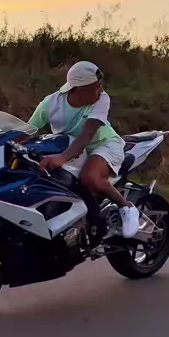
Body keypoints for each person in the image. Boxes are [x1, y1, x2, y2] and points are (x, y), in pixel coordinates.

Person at [28, 61, 140, 239]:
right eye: (96, 86)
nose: (101, 90)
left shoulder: (102, 99)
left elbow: (88, 133)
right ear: (80, 88)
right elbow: (27, 130)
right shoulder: (52, 103)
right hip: (71, 147)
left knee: (90, 177)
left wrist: (62, 158)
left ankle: (126, 206)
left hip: (104, 144)